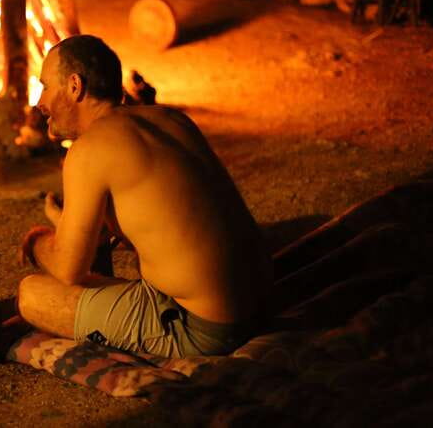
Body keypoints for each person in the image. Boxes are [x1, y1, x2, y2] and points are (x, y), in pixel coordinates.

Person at [18, 35, 272, 358]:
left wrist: (38, 241)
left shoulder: (89, 150)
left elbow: (69, 269)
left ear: (74, 86)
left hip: (206, 328)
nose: (40, 103)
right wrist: (71, 224)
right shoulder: (170, 118)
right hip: (263, 299)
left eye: (44, 86)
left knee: (32, 294)